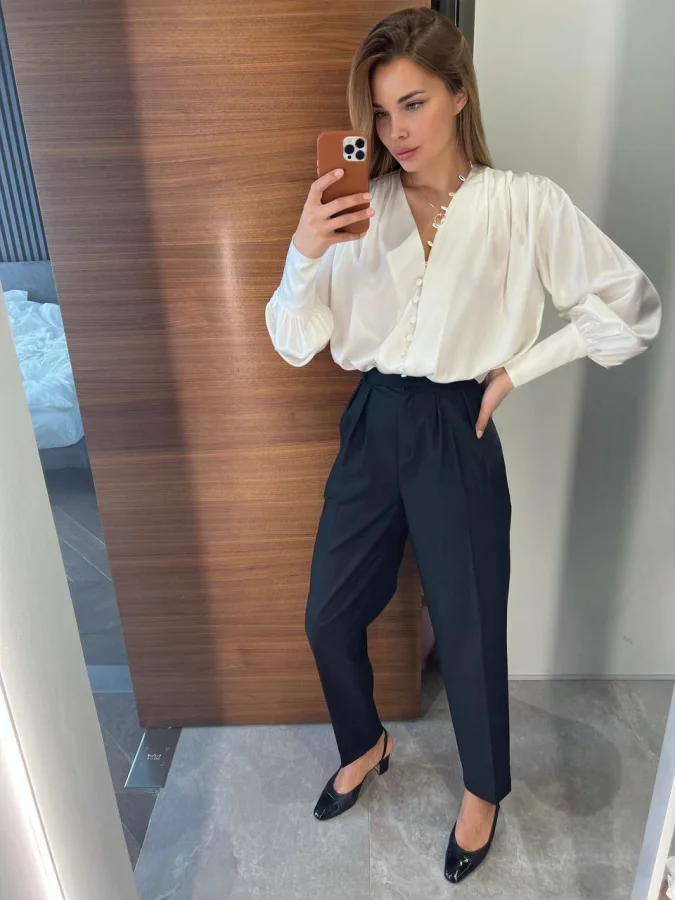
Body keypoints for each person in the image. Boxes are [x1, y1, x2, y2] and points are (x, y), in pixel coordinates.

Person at [265, 6, 661, 885]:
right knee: (329, 614)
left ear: (457, 95)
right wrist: (303, 249)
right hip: (373, 419)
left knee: (471, 623)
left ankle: (483, 791)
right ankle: (364, 742)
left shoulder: (522, 204)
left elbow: (630, 306)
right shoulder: (355, 209)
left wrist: (519, 368)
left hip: (456, 422)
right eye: (379, 114)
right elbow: (294, 341)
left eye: (412, 104)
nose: (394, 132)